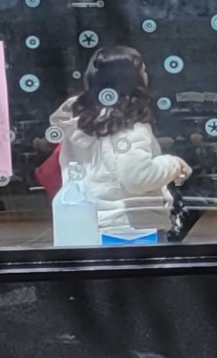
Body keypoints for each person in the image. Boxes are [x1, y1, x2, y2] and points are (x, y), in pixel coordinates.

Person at [47, 46, 192, 237]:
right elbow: (136, 178)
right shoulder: (129, 123)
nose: (146, 75)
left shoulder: (79, 122)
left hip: (85, 226)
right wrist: (173, 164)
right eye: (142, 70)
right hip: (133, 231)